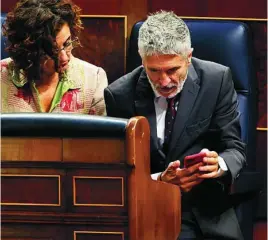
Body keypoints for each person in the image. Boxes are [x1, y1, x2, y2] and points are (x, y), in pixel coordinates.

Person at [104, 11, 246, 239]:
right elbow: (117, 172)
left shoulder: (216, 80)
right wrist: (159, 181)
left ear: (188, 57)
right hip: (147, 209)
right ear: (142, 61)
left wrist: (217, 164)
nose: (164, 81)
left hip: (204, 211)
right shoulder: (119, 95)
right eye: (154, 71)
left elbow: (235, 150)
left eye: (172, 70)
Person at [1, 0, 107, 115]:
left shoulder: (93, 79)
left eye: (67, 44)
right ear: (29, 51)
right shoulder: (2, 77)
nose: (65, 58)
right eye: (52, 51)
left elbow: (101, 132)